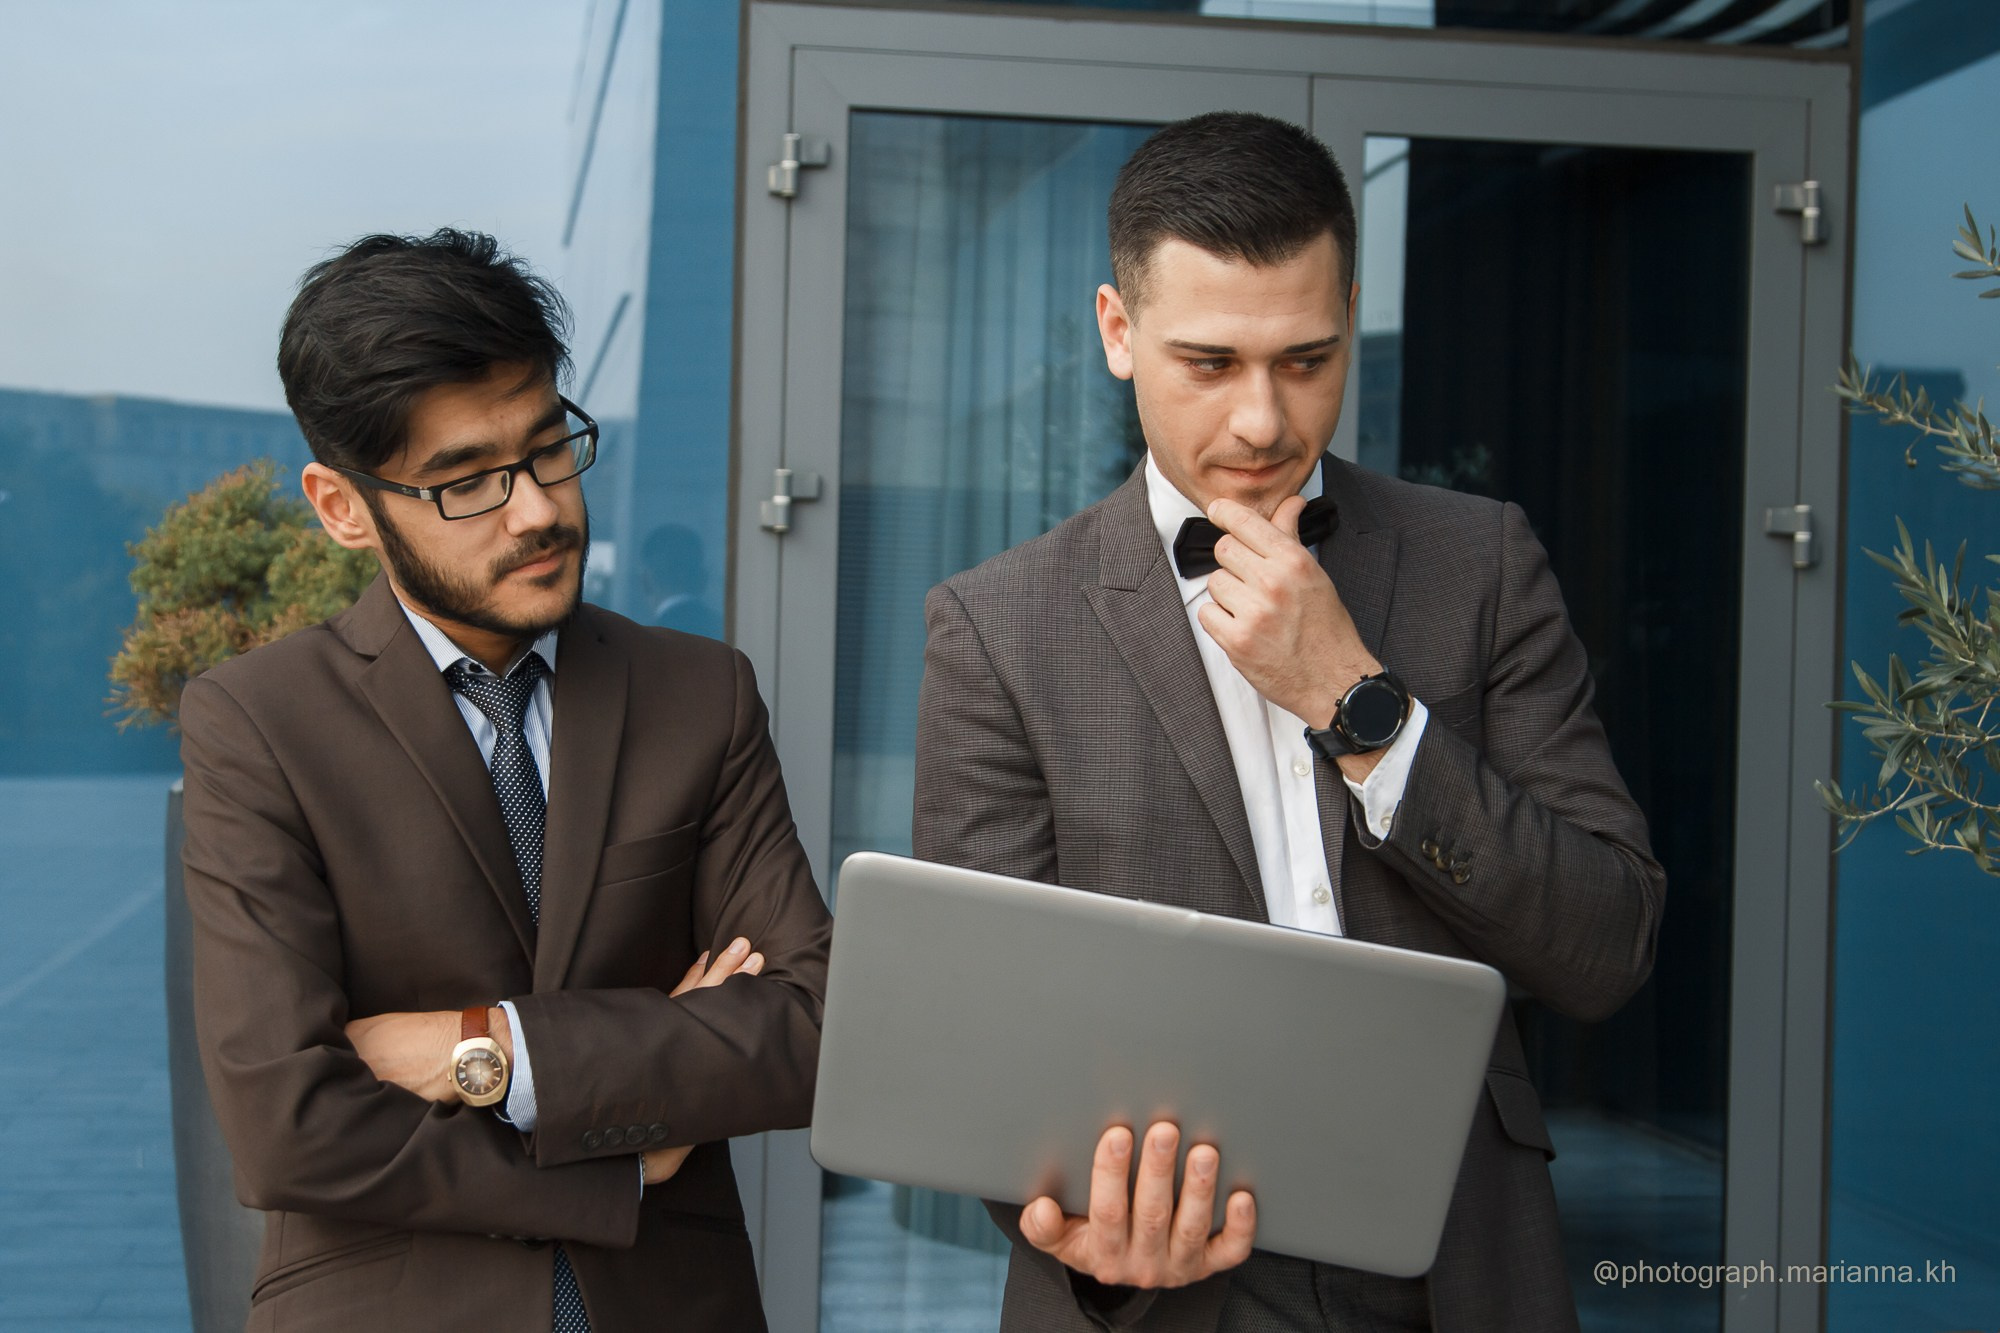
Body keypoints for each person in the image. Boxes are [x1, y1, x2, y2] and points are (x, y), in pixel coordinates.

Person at [912, 112, 1665, 1333]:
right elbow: (984, 1035)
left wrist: (1356, 707)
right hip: (1167, 1290)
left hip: (1453, 1263)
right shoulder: (997, 627)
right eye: (1209, 363)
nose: (1262, 422)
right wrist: (1098, 1243)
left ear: (1349, 315)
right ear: (1117, 330)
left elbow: (1606, 942)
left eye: (1305, 359)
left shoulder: (1478, 565)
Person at [179, 229, 830, 1332]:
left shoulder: (698, 694)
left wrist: (480, 1047)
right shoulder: (257, 723)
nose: (534, 508)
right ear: (344, 508)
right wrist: (617, 1155)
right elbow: (285, 1121)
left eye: (544, 449)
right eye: (465, 481)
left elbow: (810, 1027)